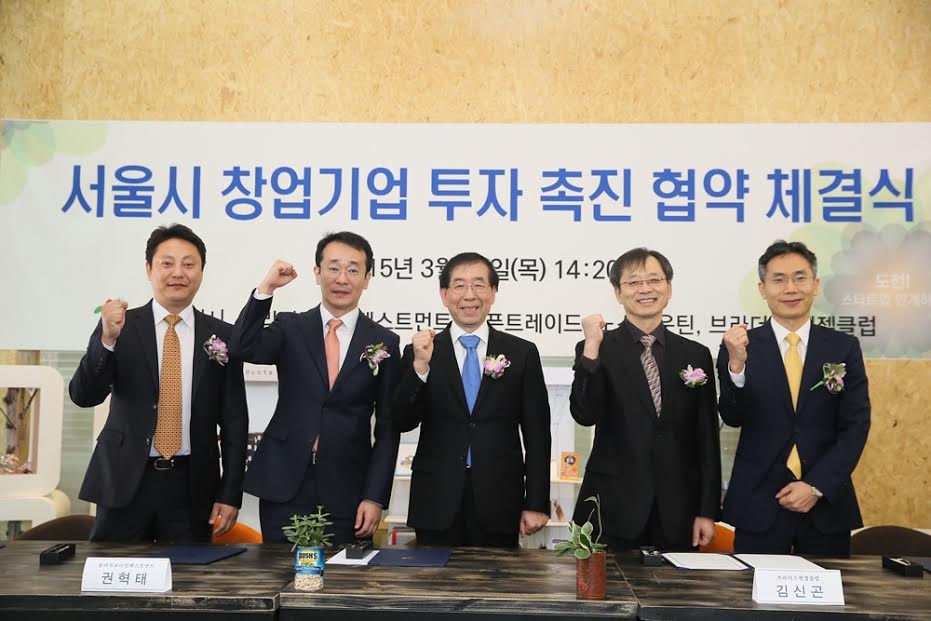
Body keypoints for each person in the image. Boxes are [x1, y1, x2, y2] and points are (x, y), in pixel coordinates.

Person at [71, 224, 248, 542]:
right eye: (167, 263)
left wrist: (230, 492)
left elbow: (234, 420)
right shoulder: (120, 327)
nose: (178, 272)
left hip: (192, 486)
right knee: (113, 571)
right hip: (125, 480)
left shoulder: (223, 335)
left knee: (187, 573)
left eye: (188, 264)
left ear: (201, 272)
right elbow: (84, 395)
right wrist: (106, 340)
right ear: (149, 269)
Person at [229, 231, 400, 544]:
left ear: (367, 278)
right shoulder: (290, 327)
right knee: (279, 569)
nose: (342, 278)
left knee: (342, 574)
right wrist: (266, 289)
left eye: (353, 269)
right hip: (284, 484)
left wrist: (375, 496)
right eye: (333, 268)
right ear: (317, 273)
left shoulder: (384, 341)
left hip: (348, 490)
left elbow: (388, 427)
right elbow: (241, 348)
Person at [718, 240, 871, 556]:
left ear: (816, 284)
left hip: (825, 506)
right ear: (762, 289)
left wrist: (816, 486)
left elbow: (855, 426)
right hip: (759, 504)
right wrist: (737, 366)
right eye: (779, 279)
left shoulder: (843, 347)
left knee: (828, 588)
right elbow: (733, 416)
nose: (790, 288)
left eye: (800, 278)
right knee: (753, 587)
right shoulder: (740, 346)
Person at [392, 252, 551, 547]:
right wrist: (420, 368)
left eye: (479, 285)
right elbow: (402, 420)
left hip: (500, 500)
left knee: (498, 576)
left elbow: (538, 434)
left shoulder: (522, 353)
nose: (469, 295)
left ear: (493, 292)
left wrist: (537, 502)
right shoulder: (421, 350)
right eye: (459, 285)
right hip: (435, 499)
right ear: (444, 295)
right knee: (432, 576)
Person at [570, 248, 720, 551]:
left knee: (677, 583)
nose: (645, 289)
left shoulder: (695, 354)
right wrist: (591, 350)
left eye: (654, 280)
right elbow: (585, 414)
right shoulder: (598, 348)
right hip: (613, 506)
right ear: (618, 293)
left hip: (678, 508)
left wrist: (707, 510)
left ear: (669, 288)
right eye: (634, 282)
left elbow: (707, 438)